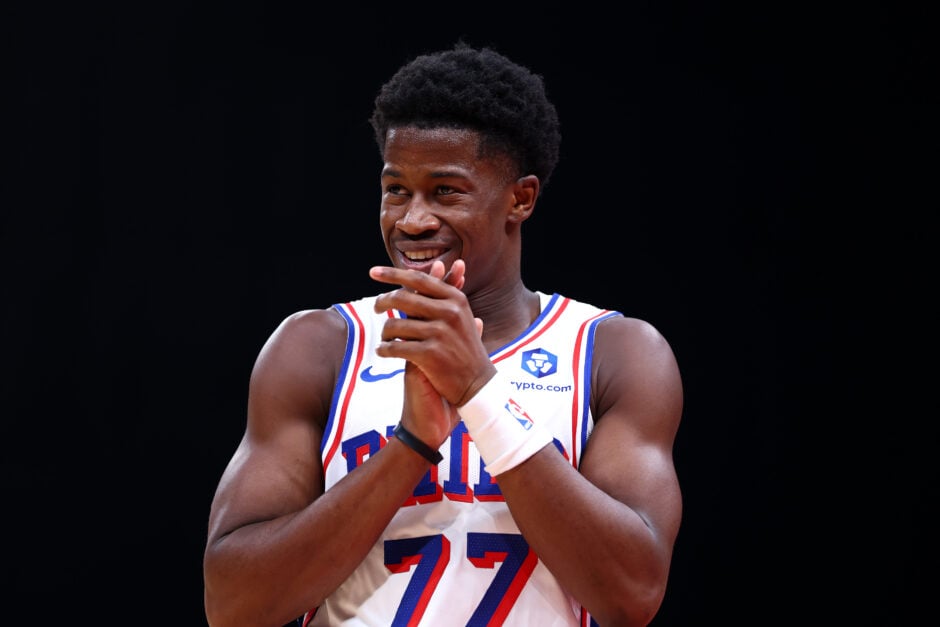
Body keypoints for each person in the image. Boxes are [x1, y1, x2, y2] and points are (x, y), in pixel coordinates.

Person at [203, 41, 684, 627]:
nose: (412, 220)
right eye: (396, 189)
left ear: (520, 198)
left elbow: (631, 594)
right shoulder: (318, 346)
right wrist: (410, 445)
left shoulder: (614, 353)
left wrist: (479, 393)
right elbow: (232, 604)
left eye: (445, 191)